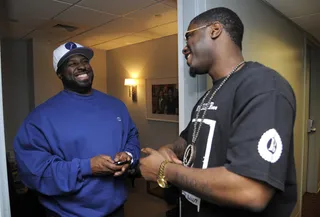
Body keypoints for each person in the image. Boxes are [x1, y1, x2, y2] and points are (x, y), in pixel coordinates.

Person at [139, 7, 297, 217]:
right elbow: (189, 140)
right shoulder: (210, 95)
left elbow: (251, 191)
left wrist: (164, 169)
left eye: (189, 36)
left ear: (214, 30)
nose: (184, 48)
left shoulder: (263, 86)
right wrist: (169, 149)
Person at [13, 42, 140, 217]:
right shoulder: (40, 118)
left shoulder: (116, 106)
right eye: (71, 64)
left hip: (116, 210)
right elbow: (35, 173)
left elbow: (132, 136)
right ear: (59, 73)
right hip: (68, 213)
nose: (81, 66)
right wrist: (87, 168)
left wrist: (129, 155)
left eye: (84, 61)